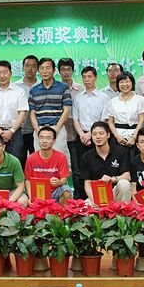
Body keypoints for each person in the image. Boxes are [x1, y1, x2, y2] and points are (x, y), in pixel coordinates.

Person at [72, 66, 109, 199]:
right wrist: (82, 135)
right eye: (84, 77)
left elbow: (103, 119)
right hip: (81, 137)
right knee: (80, 168)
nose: (87, 80)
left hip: (98, 136)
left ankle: (100, 197)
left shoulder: (104, 97)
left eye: (90, 77)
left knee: (98, 166)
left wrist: (91, 134)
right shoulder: (78, 98)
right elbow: (75, 119)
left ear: (95, 78)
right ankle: (81, 198)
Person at [0, 60, 29, 165]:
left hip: (15, 133)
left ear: (11, 73)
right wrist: (1, 133)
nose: (2, 76)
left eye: (5, 72)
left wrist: (11, 131)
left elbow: (22, 113)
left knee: (16, 163)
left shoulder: (19, 91)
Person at [80, 121, 132, 205]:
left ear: (108, 135)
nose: (98, 137)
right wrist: (95, 201)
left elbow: (127, 176)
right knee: (83, 208)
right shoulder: (87, 156)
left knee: (124, 183)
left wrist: (112, 179)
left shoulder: (120, 151)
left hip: (115, 192)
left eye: (101, 133)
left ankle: (123, 211)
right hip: (98, 195)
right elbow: (87, 184)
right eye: (94, 134)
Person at [29, 57, 72, 153]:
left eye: (48, 68)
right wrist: (38, 131)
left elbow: (66, 111)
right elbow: (32, 114)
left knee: (58, 159)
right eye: (42, 68)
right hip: (40, 129)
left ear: (54, 71)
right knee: (40, 160)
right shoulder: (33, 90)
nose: (45, 71)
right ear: (38, 70)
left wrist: (56, 130)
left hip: (57, 129)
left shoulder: (63, 87)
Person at [107, 71, 144, 168]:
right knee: (118, 164)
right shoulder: (113, 101)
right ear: (118, 84)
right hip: (118, 137)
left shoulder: (140, 99)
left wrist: (134, 137)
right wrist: (117, 136)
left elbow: (141, 120)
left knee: (135, 164)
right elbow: (110, 121)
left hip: (135, 135)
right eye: (121, 82)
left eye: (127, 81)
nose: (124, 84)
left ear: (132, 83)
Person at [24, 126, 72, 206]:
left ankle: (63, 213)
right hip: (38, 192)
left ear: (54, 141)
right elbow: (28, 180)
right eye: (41, 138)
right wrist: (31, 197)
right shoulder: (31, 158)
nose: (44, 141)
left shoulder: (61, 157)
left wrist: (58, 182)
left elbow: (64, 180)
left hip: (55, 191)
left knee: (66, 190)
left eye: (48, 138)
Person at [57, 57, 84, 199]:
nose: (66, 72)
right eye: (63, 70)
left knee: (76, 167)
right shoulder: (55, 88)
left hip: (75, 134)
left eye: (68, 69)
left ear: (73, 70)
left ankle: (78, 197)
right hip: (59, 133)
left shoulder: (80, 90)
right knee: (58, 167)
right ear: (58, 71)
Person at [14, 55, 39, 160]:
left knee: (37, 161)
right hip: (20, 130)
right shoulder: (15, 86)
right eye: (27, 66)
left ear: (37, 68)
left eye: (33, 66)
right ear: (23, 67)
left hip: (37, 130)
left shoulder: (42, 85)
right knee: (20, 160)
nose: (30, 69)